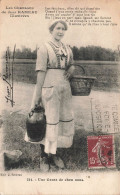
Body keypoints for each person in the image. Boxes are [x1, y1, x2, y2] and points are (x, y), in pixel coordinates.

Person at [25, 20, 75, 171]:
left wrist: (71, 68)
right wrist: (38, 95)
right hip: (48, 88)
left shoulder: (67, 48)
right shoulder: (44, 47)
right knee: (45, 121)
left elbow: (71, 63)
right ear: (51, 30)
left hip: (64, 89)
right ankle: (43, 156)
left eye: (63, 29)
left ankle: (54, 154)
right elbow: (40, 72)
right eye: (58, 28)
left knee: (58, 122)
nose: (60, 31)